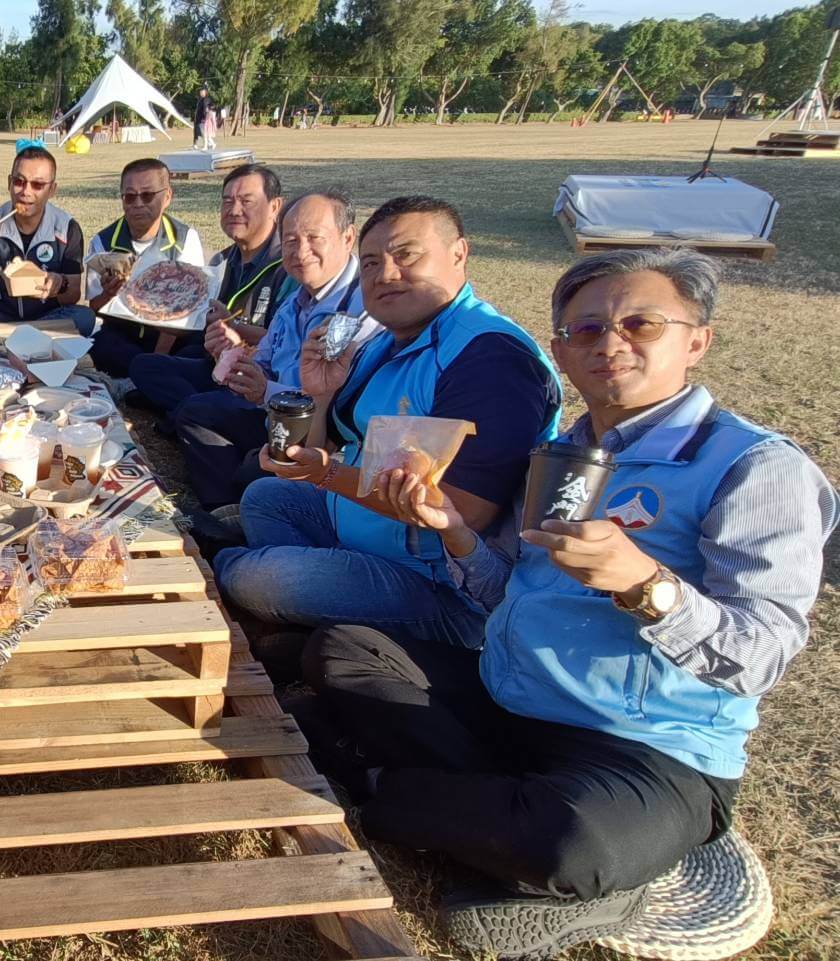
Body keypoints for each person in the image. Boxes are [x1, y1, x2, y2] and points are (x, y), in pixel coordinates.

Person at [296, 249, 838, 959]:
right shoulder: (558, 455)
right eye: (586, 329)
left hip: (643, 744)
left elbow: (760, 657)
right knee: (343, 649)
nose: (610, 343)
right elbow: (509, 593)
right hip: (512, 699)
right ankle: (454, 808)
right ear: (560, 350)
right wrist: (454, 531)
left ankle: (385, 789)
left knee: (572, 839)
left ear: (696, 341)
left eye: (641, 324)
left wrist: (648, 585)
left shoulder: (754, 468)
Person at [210, 195, 562, 660]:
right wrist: (320, 395)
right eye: (372, 263)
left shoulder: (489, 357)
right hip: (365, 532)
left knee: (243, 573)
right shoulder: (390, 340)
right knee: (265, 497)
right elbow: (324, 447)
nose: (386, 275)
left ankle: (302, 599)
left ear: (459, 253)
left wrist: (326, 474)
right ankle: (319, 610)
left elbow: (461, 512)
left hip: (437, 581)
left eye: (406, 255)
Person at [137, 190, 378, 510]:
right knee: (176, 391)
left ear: (348, 238)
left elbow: (331, 403)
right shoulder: (296, 300)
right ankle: (229, 503)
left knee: (204, 420)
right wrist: (232, 356)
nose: (300, 251)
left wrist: (265, 390)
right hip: (271, 409)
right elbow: (263, 358)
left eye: (314, 238)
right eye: (290, 241)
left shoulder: (361, 309)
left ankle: (231, 505)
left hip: (315, 430)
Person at [125, 163, 298, 408]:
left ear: (275, 206)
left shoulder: (288, 267)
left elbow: (286, 343)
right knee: (146, 364)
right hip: (218, 363)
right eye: (227, 201)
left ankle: (190, 411)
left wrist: (233, 327)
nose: (234, 210)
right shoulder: (221, 261)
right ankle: (193, 408)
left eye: (246, 201)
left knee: (194, 396)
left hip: (257, 377)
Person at [84, 158, 207, 377]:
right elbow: (94, 306)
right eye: (130, 196)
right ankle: (149, 376)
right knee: (97, 341)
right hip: (123, 334)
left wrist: (156, 359)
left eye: (148, 195)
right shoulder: (102, 242)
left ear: (167, 196)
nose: (138, 204)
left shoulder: (185, 239)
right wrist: (108, 294)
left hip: (170, 336)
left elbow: (189, 310)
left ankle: (145, 375)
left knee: (199, 347)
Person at [0, 145, 91, 333]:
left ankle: (8, 334)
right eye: (19, 182)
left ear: (52, 190)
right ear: (9, 183)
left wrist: (61, 283)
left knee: (84, 317)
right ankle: (27, 334)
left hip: (46, 315)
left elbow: (73, 295)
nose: (26, 191)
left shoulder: (66, 228)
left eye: (38, 185)